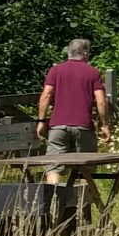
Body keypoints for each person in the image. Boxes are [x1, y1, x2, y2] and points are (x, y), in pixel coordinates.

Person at [36, 37, 108, 186]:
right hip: (84, 126)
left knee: (53, 166)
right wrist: (104, 124)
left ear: (69, 52)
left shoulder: (55, 71)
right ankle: (83, 203)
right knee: (85, 169)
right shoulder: (93, 73)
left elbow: (46, 95)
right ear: (85, 54)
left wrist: (41, 121)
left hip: (58, 126)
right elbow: (101, 100)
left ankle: (54, 197)